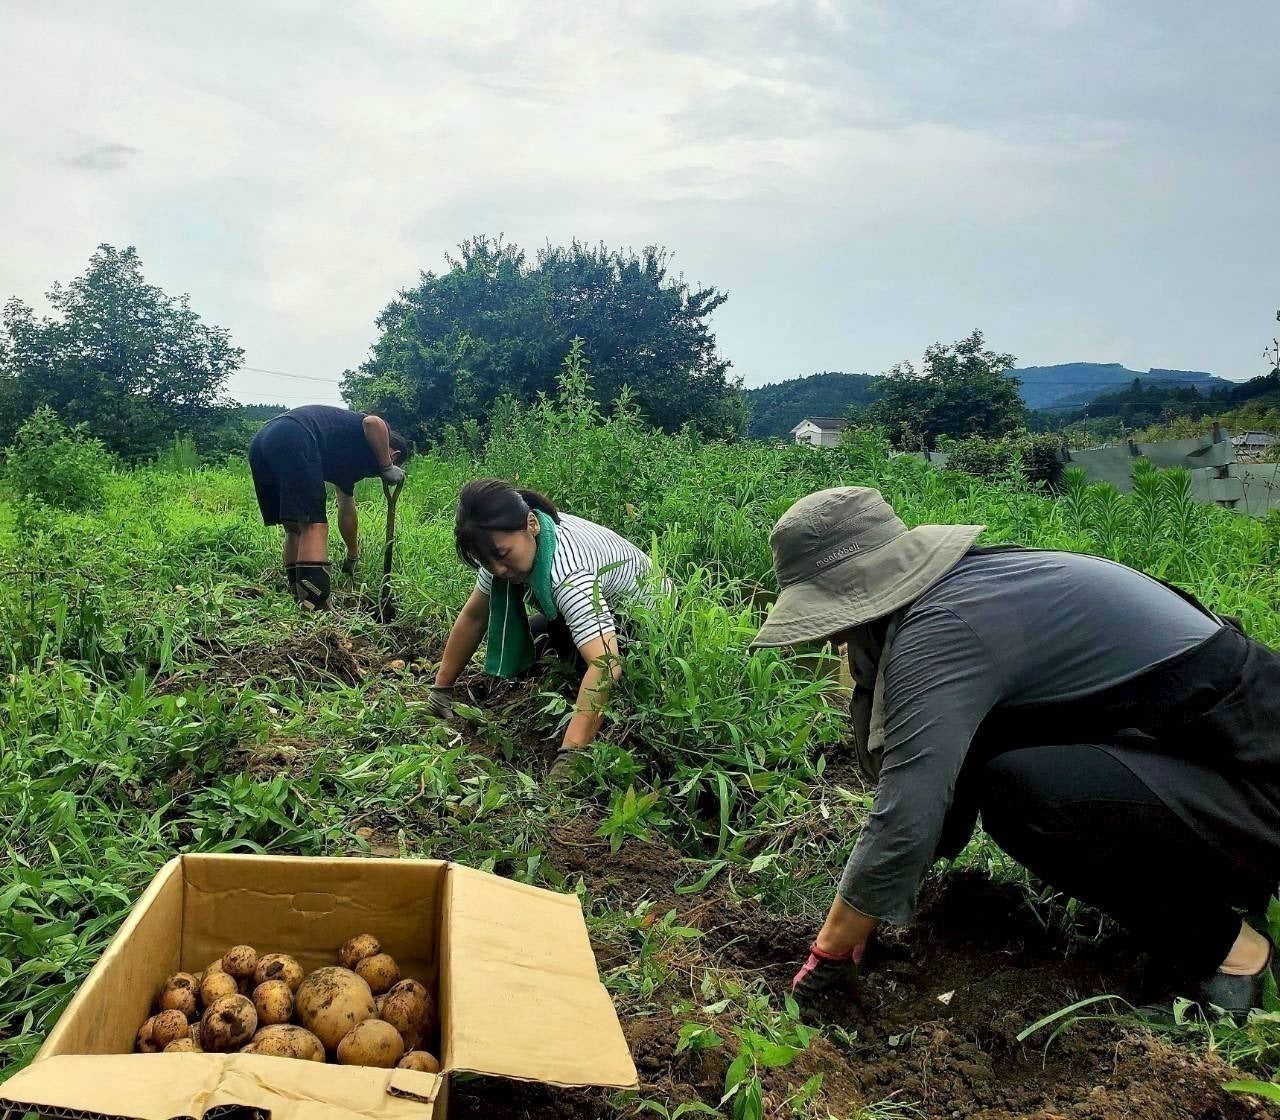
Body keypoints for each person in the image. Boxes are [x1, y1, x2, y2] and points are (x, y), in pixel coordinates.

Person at [752, 486, 1280, 1016]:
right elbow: (951, 768)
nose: (829, 640)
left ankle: (1234, 952)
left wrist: (832, 948)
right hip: (1208, 757)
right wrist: (875, 902)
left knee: (1023, 796)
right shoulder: (973, 587)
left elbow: (911, 806)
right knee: (1002, 762)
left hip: (1256, 778)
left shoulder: (944, 627)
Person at [428, 479, 656, 785]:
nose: (498, 570)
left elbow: (606, 664)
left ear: (531, 525)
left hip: (647, 624)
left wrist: (571, 754)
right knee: (535, 639)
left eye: (503, 556)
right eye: (487, 561)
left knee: (586, 661)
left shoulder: (568, 573)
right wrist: (441, 689)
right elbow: (474, 615)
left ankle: (597, 715)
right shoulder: (503, 548)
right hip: (604, 608)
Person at [248, 404, 410, 609]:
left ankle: (299, 598)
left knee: (294, 528)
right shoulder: (372, 432)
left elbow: (346, 508)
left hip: (263, 442)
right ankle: (315, 608)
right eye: (394, 460)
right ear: (393, 454)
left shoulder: (346, 460)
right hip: (294, 435)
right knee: (314, 525)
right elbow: (373, 421)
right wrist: (386, 467)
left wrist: (352, 553)